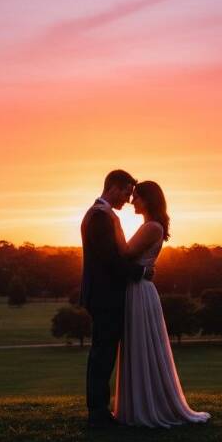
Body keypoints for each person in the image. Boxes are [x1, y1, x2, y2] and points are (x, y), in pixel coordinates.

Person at [105, 180, 210, 428]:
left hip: (139, 291)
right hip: (138, 288)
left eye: (137, 197)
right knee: (136, 344)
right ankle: (139, 403)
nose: (132, 201)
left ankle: (148, 406)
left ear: (148, 199)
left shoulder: (152, 227)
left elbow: (126, 253)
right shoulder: (149, 226)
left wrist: (114, 224)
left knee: (141, 342)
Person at [79, 169, 148, 428]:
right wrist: (141, 272)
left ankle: (99, 410)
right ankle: (97, 413)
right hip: (104, 295)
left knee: (104, 352)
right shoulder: (99, 217)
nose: (128, 199)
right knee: (103, 354)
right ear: (114, 188)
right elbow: (109, 260)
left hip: (103, 294)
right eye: (126, 193)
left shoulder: (101, 214)